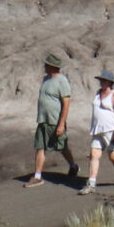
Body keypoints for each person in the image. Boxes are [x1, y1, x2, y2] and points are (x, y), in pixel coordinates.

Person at [27, 55, 78, 187]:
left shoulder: (62, 81)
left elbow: (66, 104)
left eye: (47, 65)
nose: (44, 67)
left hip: (55, 121)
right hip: (43, 120)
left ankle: (73, 165)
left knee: (62, 147)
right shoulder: (46, 79)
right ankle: (38, 176)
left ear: (52, 67)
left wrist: (61, 124)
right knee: (40, 147)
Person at [82, 70, 114, 192]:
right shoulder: (98, 93)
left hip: (110, 130)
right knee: (94, 155)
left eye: (104, 80)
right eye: (101, 80)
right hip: (98, 130)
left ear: (109, 82)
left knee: (113, 156)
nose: (101, 82)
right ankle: (91, 183)